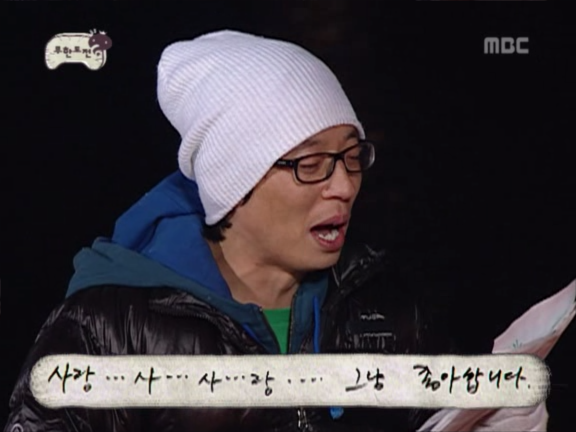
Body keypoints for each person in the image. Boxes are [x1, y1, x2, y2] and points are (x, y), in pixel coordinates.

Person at [4, 30, 453, 432]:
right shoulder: (107, 332)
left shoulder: (384, 307)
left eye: (352, 158)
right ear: (233, 186)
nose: (345, 186)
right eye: (312, 164)